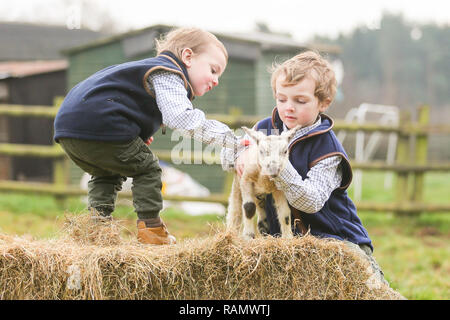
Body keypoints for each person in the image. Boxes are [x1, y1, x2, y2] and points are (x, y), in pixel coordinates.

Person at [54, 27, 243, 245]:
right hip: (101, 123)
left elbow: (120, 100)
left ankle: (97, 228)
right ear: (188, 57)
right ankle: (151, 230)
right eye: (213, 70)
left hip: (70, 129)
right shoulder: (168, 73)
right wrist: (231, 140)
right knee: (149, 169)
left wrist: (136, 133)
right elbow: (182, 118)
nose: (216, 80)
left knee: (106, 172)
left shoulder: (146, 71)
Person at [221, 51, 388, 285]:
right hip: (283, 243)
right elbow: (226, 158)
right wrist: (245, 151)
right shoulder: (264, 129)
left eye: (300, 101)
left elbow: (309, 201)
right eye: (281, 99)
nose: (289, 108)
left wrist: (279, 165)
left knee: (367, 289)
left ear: (323, 102)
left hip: (333, 240)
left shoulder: (328, 150)